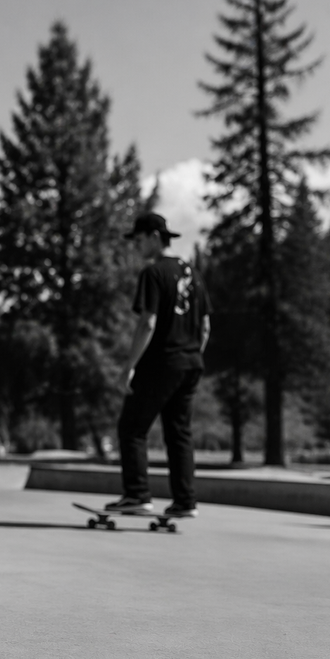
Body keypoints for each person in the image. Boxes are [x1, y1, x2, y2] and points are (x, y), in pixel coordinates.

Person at [106, 213, 211, 518]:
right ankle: (185, 501)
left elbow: (148, 322)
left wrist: (130, 366)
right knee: (179, 433)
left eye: (139, 240)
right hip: (191, 363)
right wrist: (190, 355)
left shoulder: (153, 273)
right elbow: (205, 326)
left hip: (162, 362)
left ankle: (137, 494)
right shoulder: (193, 273)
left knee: (132, 428)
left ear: (155, 236)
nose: (136, 247)